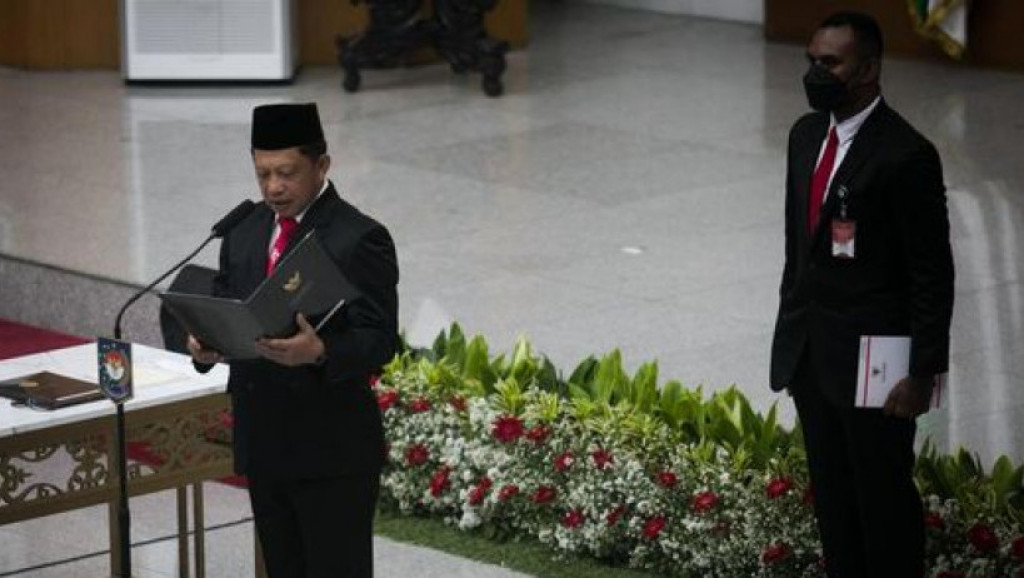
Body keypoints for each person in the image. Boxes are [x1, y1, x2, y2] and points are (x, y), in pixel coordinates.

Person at [769, 12, 954, 578]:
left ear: (869, 69)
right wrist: (790, 342)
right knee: (832, 497)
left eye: (830, 63)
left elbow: (932, 273)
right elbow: (798, 250)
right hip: (812, 356)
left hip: (876, 367)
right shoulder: (805, 136)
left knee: (882, 499)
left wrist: (922, 371)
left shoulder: (906, 154)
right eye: (811, 60)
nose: (815, 72)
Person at [187, 102, 399, 578]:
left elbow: (380, 339)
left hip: (330, 450)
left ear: (321, 165)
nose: (273, 188)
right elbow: (225, 305)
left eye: (287, 173)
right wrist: (205, 343)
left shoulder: (358, 237)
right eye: (262, 174)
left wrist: (320, 351)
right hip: (264, 441)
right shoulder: (243, 231)